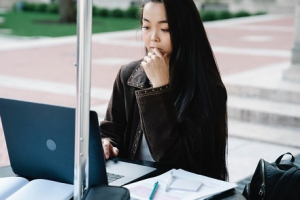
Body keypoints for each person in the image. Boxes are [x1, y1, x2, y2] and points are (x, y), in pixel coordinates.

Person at [100, 0, 228, 181]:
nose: (153, 38)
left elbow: (173, 159)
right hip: (133, 187)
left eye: (165, 29)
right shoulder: (128, 76)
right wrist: (106, 144)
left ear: (185, 30)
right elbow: (111, 133)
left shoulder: (208, 90)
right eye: (146, 27)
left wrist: (160, 88)